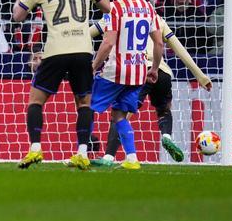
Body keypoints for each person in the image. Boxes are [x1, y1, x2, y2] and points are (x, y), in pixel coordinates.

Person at [11, 0, 112, 170]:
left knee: (36, 101)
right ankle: (82, 153)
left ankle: (35, 149)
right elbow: (108, 8)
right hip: (82, 48)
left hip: (56, 49)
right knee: (84, 103)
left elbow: (17, 16)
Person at [91, 9, 214, 167]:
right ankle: (166, 136)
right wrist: (200, 76)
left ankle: (108, 156)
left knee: (120, 115)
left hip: (138, 70)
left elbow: (89, 33)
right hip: (161, 71)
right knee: (163, 109)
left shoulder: (115, 14)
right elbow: (179, 49)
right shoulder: (156, 18)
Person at [87, 0, 164, 171]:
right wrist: (154, 68)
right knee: (119, 115)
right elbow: (158, 43)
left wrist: (94, 66)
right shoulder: (148, 7)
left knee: (87, 106)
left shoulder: (115, 7)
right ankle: (131, 158)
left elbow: (108, 43)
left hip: (116, 70)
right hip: (139, 71)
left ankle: (81, 153)